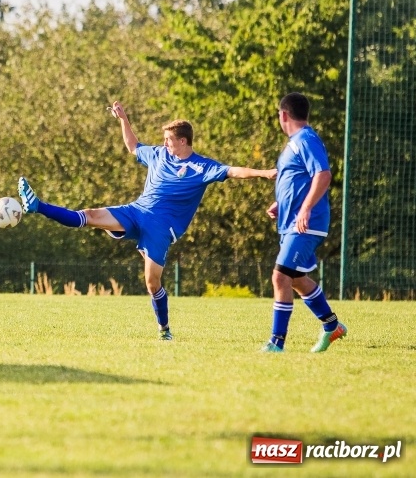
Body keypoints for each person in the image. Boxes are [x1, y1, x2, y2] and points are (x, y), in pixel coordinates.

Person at [17, 101, 277, 340]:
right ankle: (38, 206)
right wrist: (123, 119)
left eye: (169, 140)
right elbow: (133, 146)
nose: (164, 144)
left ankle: (164, 330)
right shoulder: (158, 155)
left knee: (152, 283)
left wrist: (264, 173)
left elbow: (234, 171)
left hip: (161, 228)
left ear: (184, 141)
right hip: (136, 211)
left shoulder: (202, 167)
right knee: (91, 215)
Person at [261, 92, 346, 353]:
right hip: (292, 222)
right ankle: (332, 326)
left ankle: (277, 343)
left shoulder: (305, 139)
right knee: (296, 278)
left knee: (280, 276)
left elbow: (323, 174)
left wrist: (305, 209)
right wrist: (281, 203)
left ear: (283, 114)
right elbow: (298, 180)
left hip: (306, 223)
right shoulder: (296, 142)